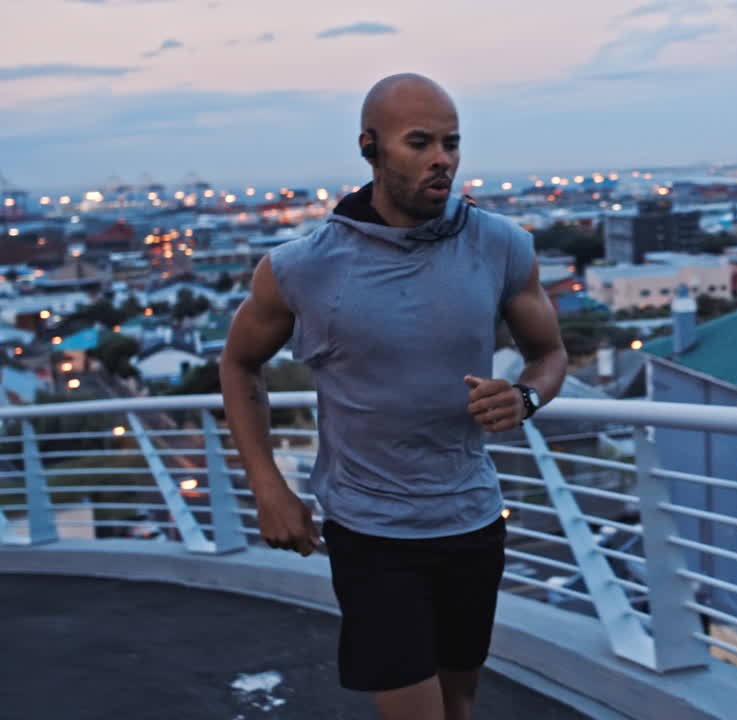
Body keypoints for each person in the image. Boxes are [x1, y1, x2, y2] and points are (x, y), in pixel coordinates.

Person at [219, 73, 567, 720]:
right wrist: (268, 487)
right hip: (370, 530)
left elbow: (549, 355)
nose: (442, 159)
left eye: (451, 143)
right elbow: (239, 365)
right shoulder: (303, 267)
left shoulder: (500, 245)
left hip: (471, 519)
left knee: (459, 701)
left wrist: (525, 398)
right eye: (419, 142)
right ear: (370, 148)